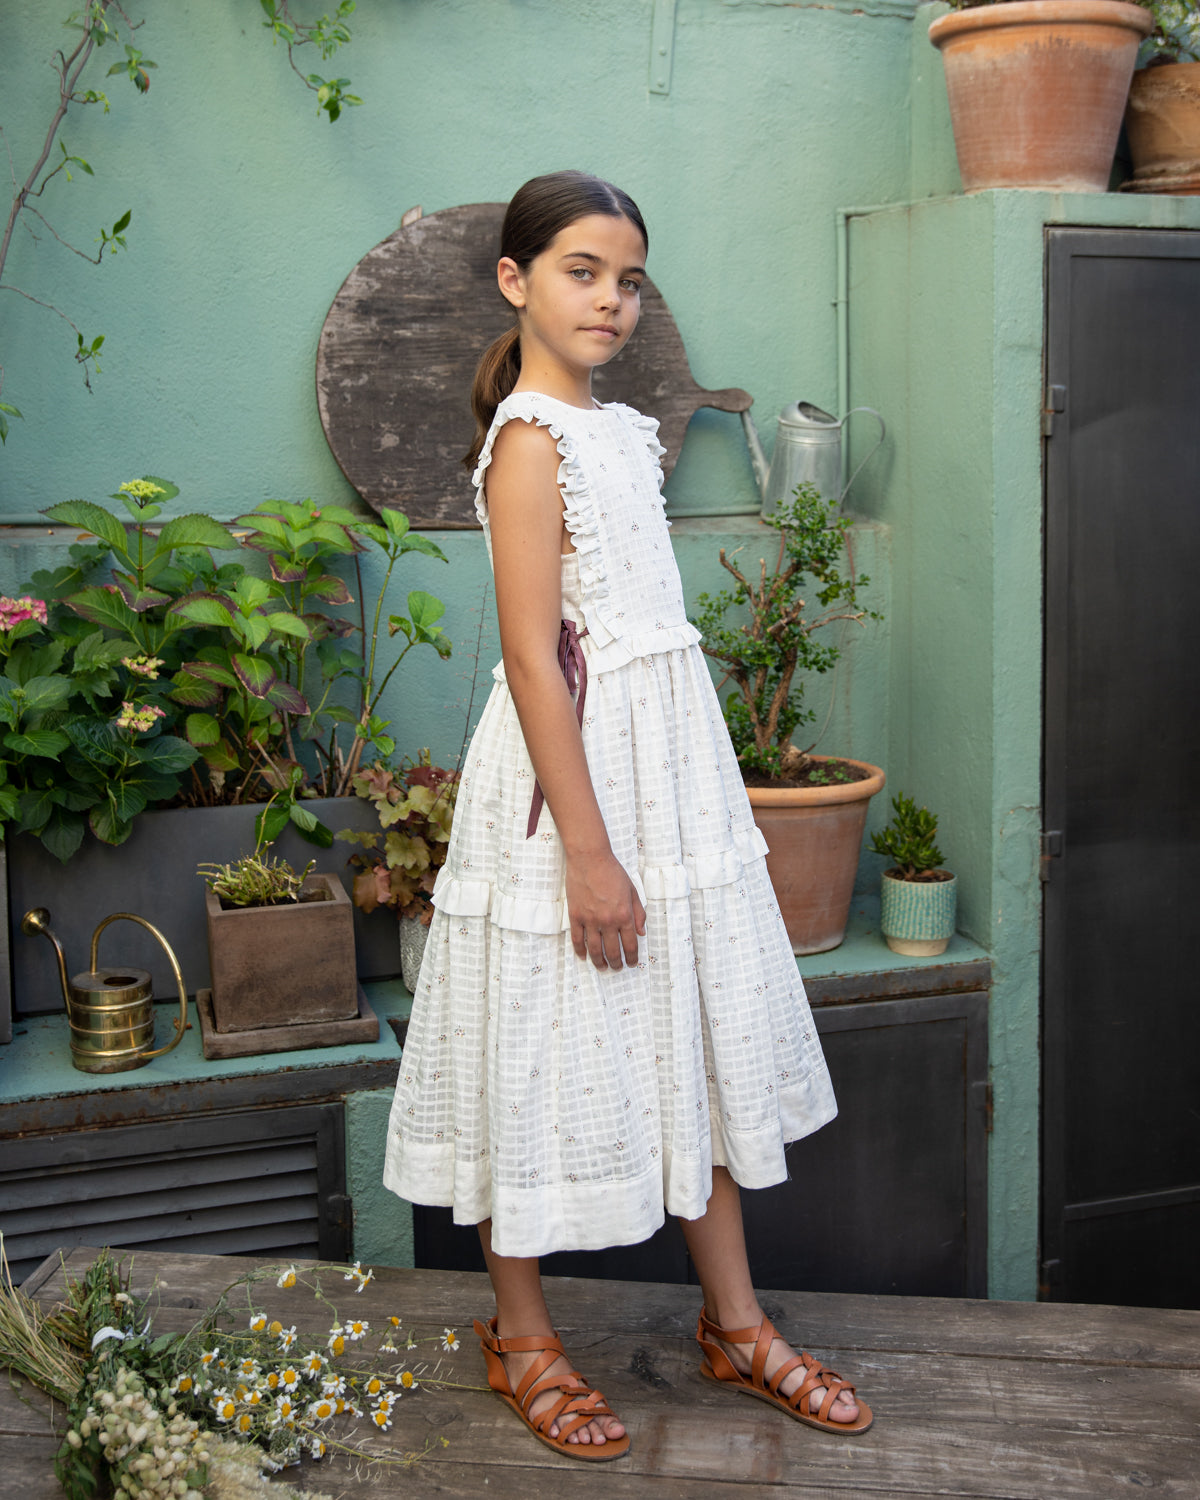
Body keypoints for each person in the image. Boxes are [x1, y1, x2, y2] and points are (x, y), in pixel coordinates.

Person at [382, 169, 872, 1460]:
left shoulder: (621, 432)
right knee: (538, 1035)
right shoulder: (529, 442)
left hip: (666, 771)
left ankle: (736, 1320)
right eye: (581, 271)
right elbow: (539, 657)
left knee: (686, 1020)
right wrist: (590, 855)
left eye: (628, 277)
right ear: (516, 281)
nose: (611, 298)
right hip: (570, 796)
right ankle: (521, 1332)